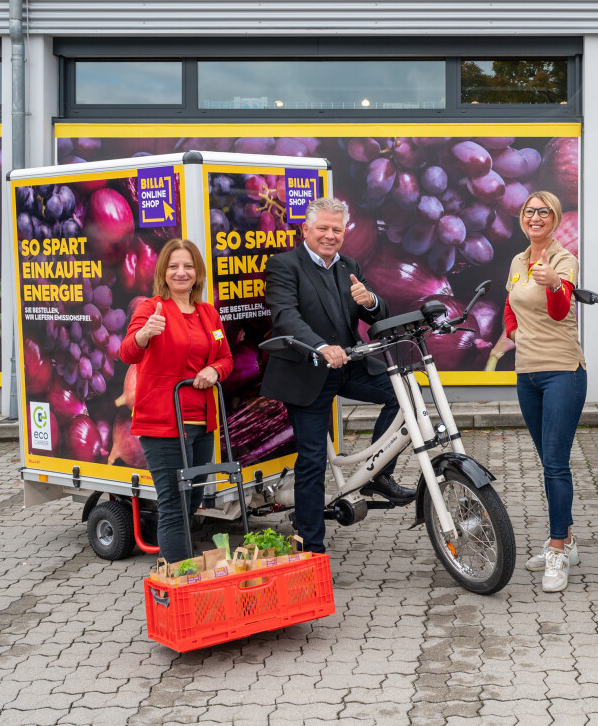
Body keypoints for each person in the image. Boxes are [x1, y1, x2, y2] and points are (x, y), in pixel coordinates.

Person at [261, 196, 413, 555]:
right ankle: (311, 545)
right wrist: (318, 346)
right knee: (312, 460)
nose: (330, 236)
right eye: (323, 228)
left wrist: (370, 301)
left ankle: (378, 475)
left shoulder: (349, 265)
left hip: (347, 367)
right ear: (305, 230)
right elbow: (285, 316)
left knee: (402, 392)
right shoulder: (284, 265)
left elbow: (379, 316)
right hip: (308, 372)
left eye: (337, 229)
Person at [495, 191, 587, 592]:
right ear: (522, 217)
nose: (535, 217)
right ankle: (567, 538)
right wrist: (515, 331)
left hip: (562, 372)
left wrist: (552, 285)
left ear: (555, 218)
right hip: (527, 374)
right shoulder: (518, 260)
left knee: (555, 464)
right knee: (547, 460)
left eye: (543, 212)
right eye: (530, 211)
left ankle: (557, 547)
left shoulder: (564, 260)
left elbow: (560, 311)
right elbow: (510, 304)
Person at [120, 238, 233, 563]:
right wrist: (144, 334)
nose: (181, 272)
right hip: (164, 426)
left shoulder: (208, 314)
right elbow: (126, 351)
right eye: (173, 266)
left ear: (197, 272)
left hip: (202, 425)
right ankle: (180, 584)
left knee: (191, 502)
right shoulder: (151, 309)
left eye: (188, 266)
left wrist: (214, 370)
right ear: (163, 272)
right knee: (173, 505)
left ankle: (180, 576)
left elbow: (226, 358)